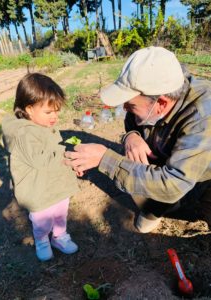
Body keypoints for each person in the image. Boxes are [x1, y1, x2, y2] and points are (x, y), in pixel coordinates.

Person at [65, 46, 211, 233]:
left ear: (161, 103)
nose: (124, 107)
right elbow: (132, 120)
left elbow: (173, 184)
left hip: (206, 173)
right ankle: (157, 206)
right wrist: (131, 136)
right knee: (140, 158)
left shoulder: (202, 117)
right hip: (175, 160)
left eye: (130, 104)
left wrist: (105, 159)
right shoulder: (155, 96)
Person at [2, 73, 79, 261]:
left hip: (55, 185)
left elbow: (53, 155)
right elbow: (42, 160)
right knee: (42, 220)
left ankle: (60, 237)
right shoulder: (24, 134)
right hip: (37, 190)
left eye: (56, 111)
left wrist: (71, 165)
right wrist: (70, 157)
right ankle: (42, 240)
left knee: (61, 213)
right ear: (29, 109)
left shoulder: (41, 125)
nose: (54, 117)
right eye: (49, 112)